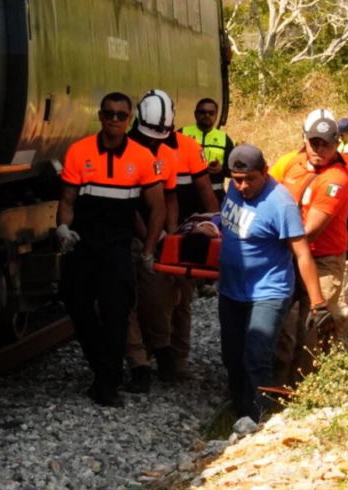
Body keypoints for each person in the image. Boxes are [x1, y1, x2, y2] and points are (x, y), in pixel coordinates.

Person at [57, 92, 166, 407]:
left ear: (129, 119)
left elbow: (156, 208)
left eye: (121, 115)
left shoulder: (142, 157)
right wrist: (62, 228)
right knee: (76, 304)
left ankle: (107, 385)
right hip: (83, 243)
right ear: (100, 116)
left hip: (118, 246)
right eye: (109, 114)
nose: (115, 120)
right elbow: (67, 200)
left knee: (116, 313)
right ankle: (102, 367)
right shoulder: (80, 152)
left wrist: (147, 250)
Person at [219, 144, 332, 423]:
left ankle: (258, 419)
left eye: (250, 179)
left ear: (265, 172)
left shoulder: (280, 203)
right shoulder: (234, 188)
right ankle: (238, 412)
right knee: (231, 355)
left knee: (257, 356)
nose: (243, 186)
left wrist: (318, 303)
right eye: (237, 179)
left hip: (268, 291)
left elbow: (302, 252)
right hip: (232, 289)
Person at [125, 90, 218, 385]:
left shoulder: (178, 150)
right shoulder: (129, 149)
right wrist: (152, 242)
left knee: (180, 300)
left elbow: (174, 197)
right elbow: (131, 206)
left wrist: (176, 234)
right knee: (147, 299)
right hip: (137, 234)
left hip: (174, 233)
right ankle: (149, 358)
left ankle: (173, 359)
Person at [269, 108, 348, 388]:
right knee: (278, 324)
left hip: (323, 261)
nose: (319, 149)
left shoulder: (336, 179)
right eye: (314, 142)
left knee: (312, 331)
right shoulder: (291, 164)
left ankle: (305, 392)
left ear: (336, 144)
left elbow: (309, 231)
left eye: (326, 143)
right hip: (289, 256)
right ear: (305, 139)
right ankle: (275, 389)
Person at [181, 97, 235, 202]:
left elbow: (233, 171)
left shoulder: (224, 139)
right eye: (202, 112)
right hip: (185, 195)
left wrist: (221, 169)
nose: (207, 115)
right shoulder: (182, 134)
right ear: (195, 114)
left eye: (211, 113)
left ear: (216, 116)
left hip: (215, 195)